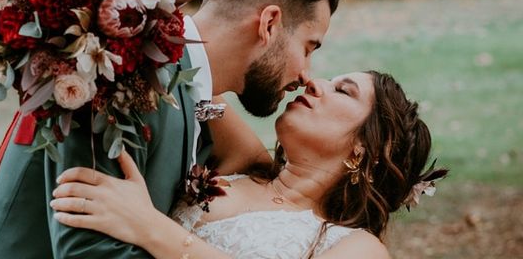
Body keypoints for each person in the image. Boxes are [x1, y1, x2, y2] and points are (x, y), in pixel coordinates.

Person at [0, 0, 340, 258]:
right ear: (269, 24)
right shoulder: (123, 66)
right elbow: (86, 249)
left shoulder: (188, 87)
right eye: (308, 47)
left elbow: (259, 164)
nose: (306, 75)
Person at [50, 71, 448, 258]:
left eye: (342, 90)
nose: (314, 82)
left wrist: (150, 227)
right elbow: (194, 80)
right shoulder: (247, 159)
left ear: (368, 148)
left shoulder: (356, 248)